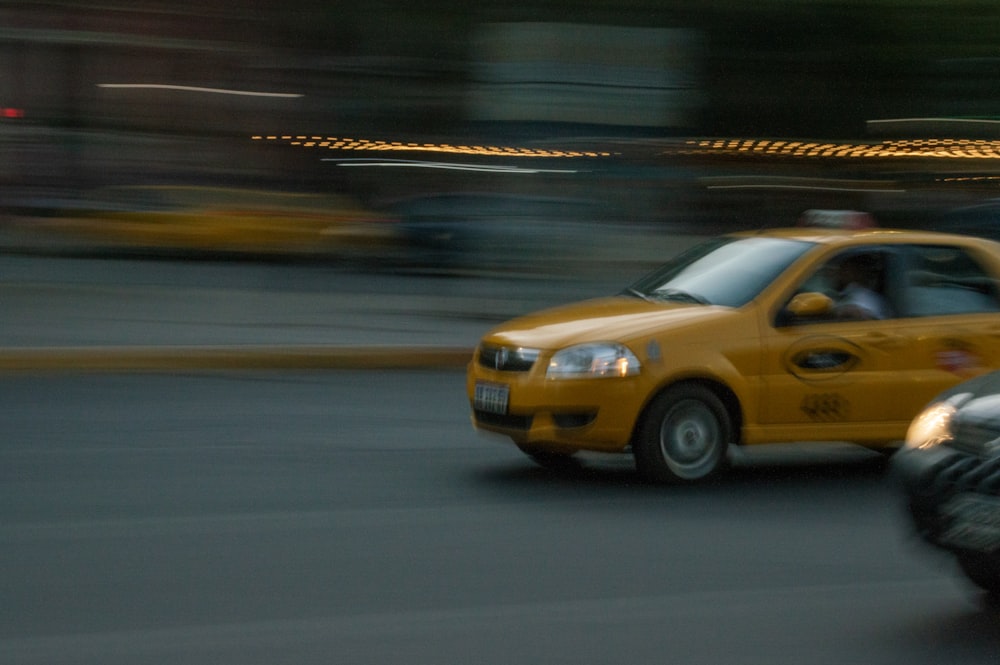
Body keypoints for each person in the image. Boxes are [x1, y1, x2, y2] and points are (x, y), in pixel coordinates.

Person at [830, 253, 892, 320]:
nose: (838, 273)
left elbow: (862, 314)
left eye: (845, 269)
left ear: (857, 272)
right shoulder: (846, 293)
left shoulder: (867, 298)